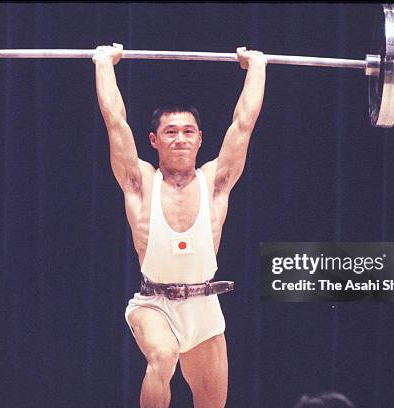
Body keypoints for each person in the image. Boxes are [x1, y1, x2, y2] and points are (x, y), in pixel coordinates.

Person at [93, 43, 266, 408]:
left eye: (189, 132)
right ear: (154, 141)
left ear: (201, 139)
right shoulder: (140, 183)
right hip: (153, 304)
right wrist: (103, 63)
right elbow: (115, 122)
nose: (181, 139)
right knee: (163, 355)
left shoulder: (215, 181)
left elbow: (244, 123)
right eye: (171, 132)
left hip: (204, 309)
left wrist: (257, 67)